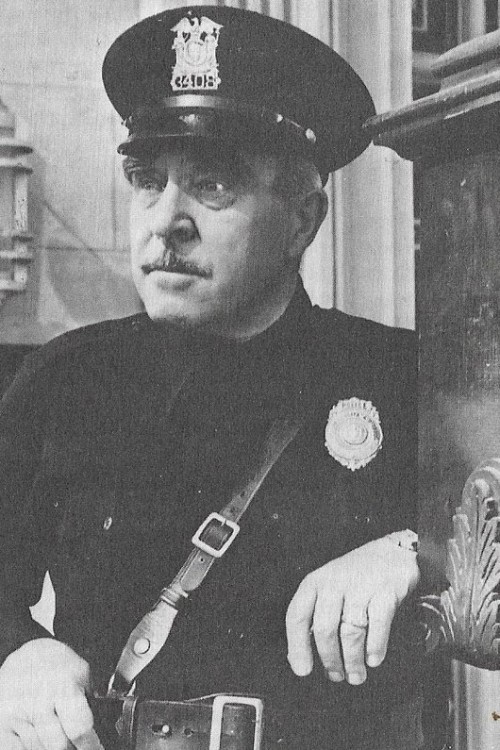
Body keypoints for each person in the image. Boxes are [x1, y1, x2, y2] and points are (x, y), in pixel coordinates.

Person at [0, 6, 424, 750]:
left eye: (213, 185)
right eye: (146, 180)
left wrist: (420, 555)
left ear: (302, 220)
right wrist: (19, 655)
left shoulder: (401, 378)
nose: (167, 220)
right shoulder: (66, 381)